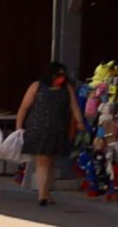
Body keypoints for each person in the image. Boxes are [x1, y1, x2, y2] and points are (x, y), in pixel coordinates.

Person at [15, 64, 76, 204]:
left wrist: (79, 122)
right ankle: (42, 195)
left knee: (51, 162)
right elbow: (24, 107)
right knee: (43, 161)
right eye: (58, 74)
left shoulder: (66, 88)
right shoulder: (37, 86)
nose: (61, 77)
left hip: (58, 130)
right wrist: (19, 126)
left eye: (63, 74)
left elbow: (74, 107)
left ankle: (46, 192)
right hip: (38, 128)